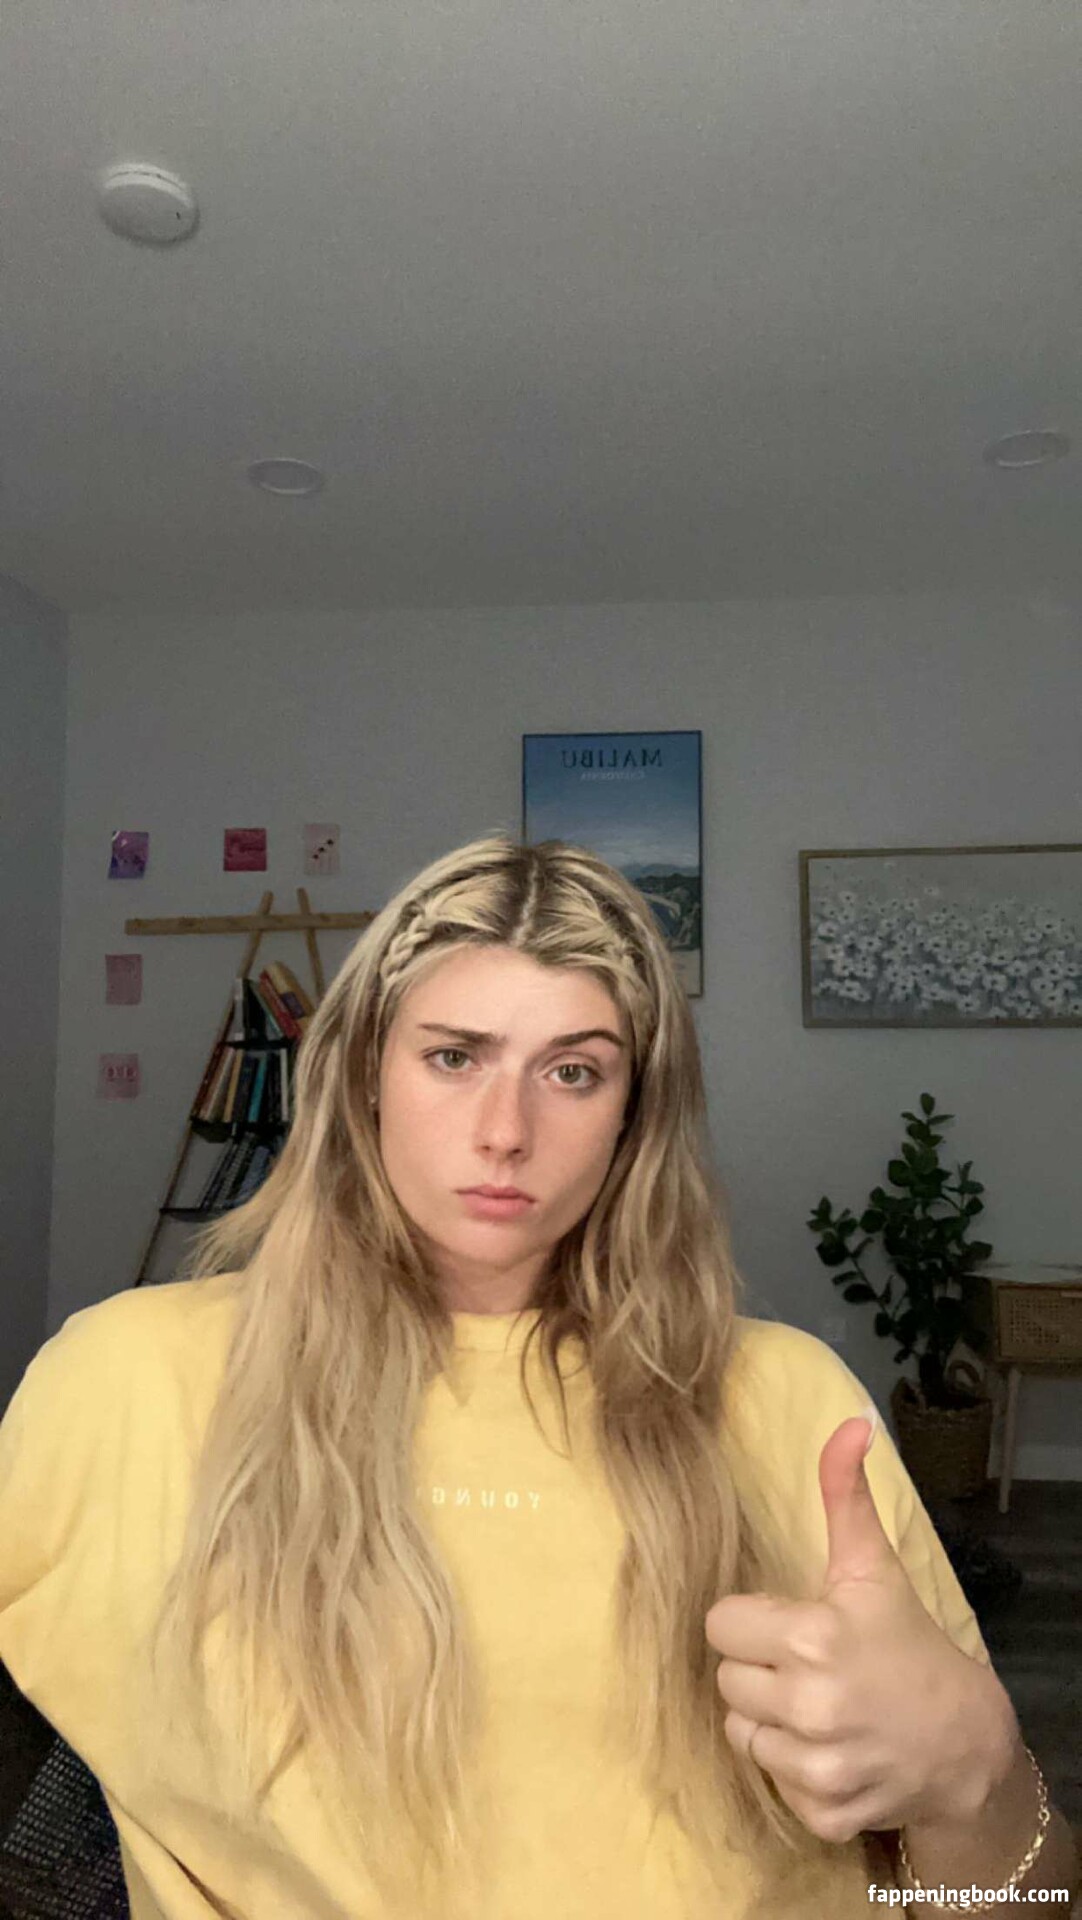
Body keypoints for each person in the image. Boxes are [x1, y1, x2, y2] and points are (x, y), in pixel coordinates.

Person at [0, 832, 1077, 1920]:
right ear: (364, 1076)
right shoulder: (123, 1382)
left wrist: (972, 1778)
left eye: (573, 1072)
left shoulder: (793, 1402)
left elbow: (1028, 1904)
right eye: (453, 1057)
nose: (505, 1132)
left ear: (633, 1116)